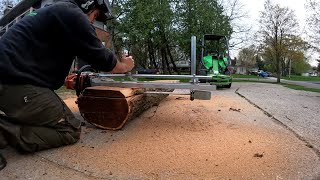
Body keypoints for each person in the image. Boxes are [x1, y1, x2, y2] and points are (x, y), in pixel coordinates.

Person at [0, 0, 134, 170]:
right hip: (13, 83)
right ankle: (3, 131)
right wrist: (124, 66)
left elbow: (37, 60)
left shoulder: (53, 12)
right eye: (96, 15)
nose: (93, 21)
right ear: (88, 5)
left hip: (9, 78)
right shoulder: (72, 14)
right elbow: (103, 60)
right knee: (69, 129)